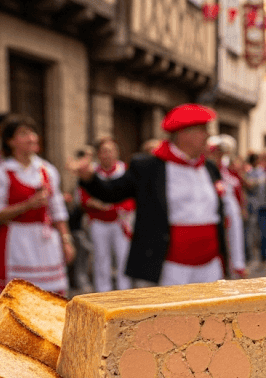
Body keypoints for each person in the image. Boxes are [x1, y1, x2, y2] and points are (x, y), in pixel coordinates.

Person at [76, 103, 238, 287]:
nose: (208, 136)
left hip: (210, 266)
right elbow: (112, 192)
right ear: (183, 134)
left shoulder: (209, 168)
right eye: (202, 130)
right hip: (171, 267)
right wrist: (89, 177)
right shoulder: (149, 167)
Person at [0, 115, 74, 306]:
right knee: (18, 299)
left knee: (51, 300)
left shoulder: (47, 170)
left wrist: (66, 240)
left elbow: (57, 210)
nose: (32, 137)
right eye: (24, 134)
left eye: (32, 132)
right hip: (16, 241)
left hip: (46, 241)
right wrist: (27, 205)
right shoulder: (0, 173)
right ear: (10, 141)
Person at [81, 137, 134, 292]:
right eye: (103, 152)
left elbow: (132, 197)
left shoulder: (125, 170)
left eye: (110, 151)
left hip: (120, 221)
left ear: (116, 153)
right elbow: (84, 197)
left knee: (123, 258)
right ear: (98, 155)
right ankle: (102, 292)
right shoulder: (92, 172)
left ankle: (125, 292)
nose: (107, 155)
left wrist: (111, 206)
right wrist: (97, 205)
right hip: (99, 222)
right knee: (100, 259)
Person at [206, 134, 248, 278]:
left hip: (230, 209)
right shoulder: (207, 168)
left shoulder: (227, 168)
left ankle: (237, 265)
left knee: (236, 237)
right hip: (215, 211)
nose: (219, 155)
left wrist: (242, 207)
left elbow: (237, 188)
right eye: (216, 152)